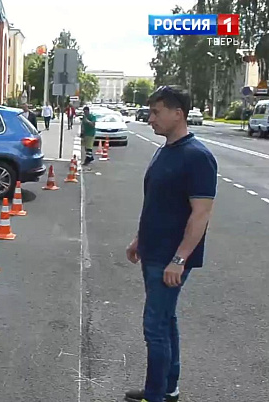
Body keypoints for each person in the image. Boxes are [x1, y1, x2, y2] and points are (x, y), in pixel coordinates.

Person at [124, 85, 217, 402]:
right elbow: (157, 202)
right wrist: (139, 239)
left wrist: (179, 259)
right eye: (150, 112)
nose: (150, 118)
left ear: (178, 113)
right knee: (166, 320)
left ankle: (155, 395)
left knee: (155, 327)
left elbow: (200, 214)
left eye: (156, 112)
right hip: (153, 251)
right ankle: (168, 388)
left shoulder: (198, 157)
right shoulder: (164, 149)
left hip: (169, 258)